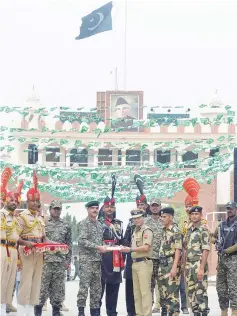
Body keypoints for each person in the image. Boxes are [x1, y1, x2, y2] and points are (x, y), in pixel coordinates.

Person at [17, 171, 49, 316]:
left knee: (36, 283)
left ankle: (31, 312)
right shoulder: (22, 216)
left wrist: (52, 244)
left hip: (39, 253)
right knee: (26, 282)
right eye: (32, 201)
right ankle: (23, 312)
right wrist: (26, 243)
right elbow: (15, 237)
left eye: (37, 201)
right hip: (27, 252)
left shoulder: (41, 217)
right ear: (27, 201)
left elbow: (43, 237)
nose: (35, 203)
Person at [34, 200, 72, 316]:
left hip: (60, 262)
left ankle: (56, 311)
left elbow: (68, 244)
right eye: (54, 208)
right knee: (42, 288)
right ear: (50, 209)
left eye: (58, 209)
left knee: (58, 289)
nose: (56, 210)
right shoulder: (43, 222)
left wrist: (68, 261)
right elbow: (38, 241)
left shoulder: (66, 224)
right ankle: (38, 311)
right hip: (45, 261)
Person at [77, 200, 107, 316]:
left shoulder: (100, 225)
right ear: (87, 209)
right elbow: (82, 241)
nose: (95, 210)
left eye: (96, 208)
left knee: (96, 289)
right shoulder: (83, 224)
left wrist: (106, 247)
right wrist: (98, 247)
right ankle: (81, 312)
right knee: (84, 288)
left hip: (97, 261)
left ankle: (95, 312)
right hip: (86, 261)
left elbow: (100, 241)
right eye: (92, 208)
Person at [0, 167, 24, 316]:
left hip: (13, 251)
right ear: (6, 200)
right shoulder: (1, 214)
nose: (14, 202)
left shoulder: (15, 218)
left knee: (9, 283)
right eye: (11, 200)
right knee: (1, 280)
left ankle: (4, 308)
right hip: (2, 249)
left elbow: (16, 238)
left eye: (16, 200)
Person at [121, 209, 153, 316]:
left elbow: (146, 248)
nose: (137, 220)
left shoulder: (146, 230)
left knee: (145, 293)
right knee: (137, 293)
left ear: (143, 217)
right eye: (135, 218)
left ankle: (147, 314)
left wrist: (130, 250)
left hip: (144, 263)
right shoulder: (135, 230)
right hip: (135, 264)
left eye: (139, 218)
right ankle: (139, 314)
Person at [99, 196, 124, 316]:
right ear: (103, 208)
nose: (109, 209)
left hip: (115, 260)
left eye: (112, 207)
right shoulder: (98, 223)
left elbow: (122, 241)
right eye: (107, 206)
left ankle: (112, 312)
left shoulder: (119, 223)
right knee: (98, 290)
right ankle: (96, 312)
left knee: (113, 289)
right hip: (101, 259)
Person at [184, 206, 210, 316]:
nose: (194, 216)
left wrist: (201, 268)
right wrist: (183, 265)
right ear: (190, 215)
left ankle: (203, 312)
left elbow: (206, 249)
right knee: (190, 292)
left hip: (198, 264)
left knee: (200, 291)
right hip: (189, 265)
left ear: (200, 215)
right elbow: (185, 248)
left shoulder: (203, 229)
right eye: (192, 214)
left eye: (196, 214)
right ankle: (195, 313)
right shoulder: (189, 230)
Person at [213, 201, 237, 316]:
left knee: (233, 288)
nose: (229, 210)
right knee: (220, 288)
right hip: (222, 260)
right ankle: (223, 311)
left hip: (234, 259)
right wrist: (215, 242)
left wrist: (226, 250)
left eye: (231, 208)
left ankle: (234, 311)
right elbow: (212, 236)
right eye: (228, 208)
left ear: (236, 210)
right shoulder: (221, 225)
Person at [158, 207, 182, 316]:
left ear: (171, 217)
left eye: (164, 217)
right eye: (161, 217)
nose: (161, 219)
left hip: (171, 263)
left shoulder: (175, 231)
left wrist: (174, 267)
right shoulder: (163, 230)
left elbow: (178, 250)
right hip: (162, 265)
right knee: (163, 295)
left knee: (172, 295)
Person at [144, 198, 163, 314]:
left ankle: (159, 305)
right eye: (153, 206)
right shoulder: (145, 222)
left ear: (160, 207)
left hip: (162, 258)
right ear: (150, 207)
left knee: (161, 284)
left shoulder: (165, 220)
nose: (155, 208)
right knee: (149, 284)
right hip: (149, 257)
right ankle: (149, 306)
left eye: (157, 206)